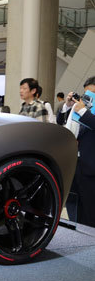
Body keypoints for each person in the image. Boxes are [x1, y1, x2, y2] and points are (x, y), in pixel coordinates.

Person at [58, 76, 95, 226]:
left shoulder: (84, 111)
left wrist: (84, 112)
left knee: (90, 214)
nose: (90, 98)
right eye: (87, 94)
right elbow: (62, 123)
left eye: (93, 94)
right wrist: (68, 107)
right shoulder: (80, 109)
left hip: (92, 169)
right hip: (76, 166)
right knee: (76, 211)